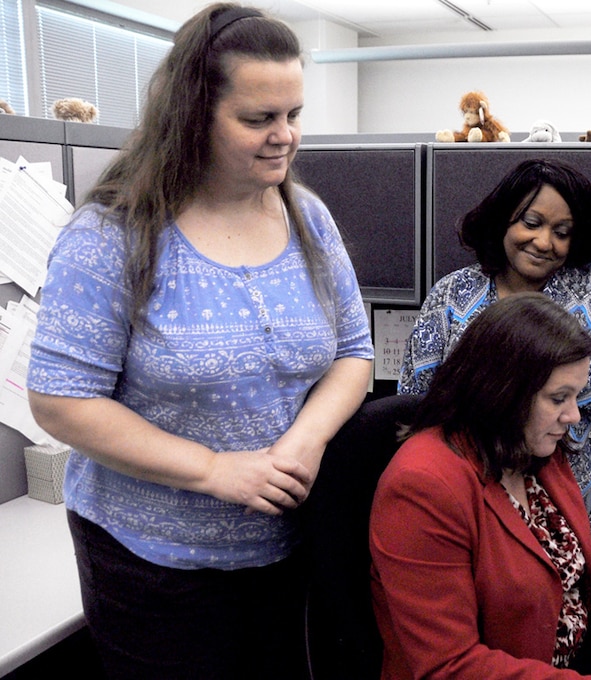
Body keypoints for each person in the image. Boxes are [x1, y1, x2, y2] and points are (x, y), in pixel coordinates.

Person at [26, 4, 374, 678]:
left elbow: (353, 353)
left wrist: (303, 442)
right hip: (153, 567)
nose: (285, 137)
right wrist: (215, 470)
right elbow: (61, 402)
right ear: (191, 115)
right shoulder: (114, 233)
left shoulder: (308, 217)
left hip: (284, 549)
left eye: (293, 114)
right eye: (257, 119)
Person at [372, 292, 591, 679]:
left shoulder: (535, 449)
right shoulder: (422, 487)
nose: (572, 415)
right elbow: (449, 667)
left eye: (576, 396)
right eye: (558, 398)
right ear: (501, 392)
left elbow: (576, 568)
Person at [399, 158, 591, 546]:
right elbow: (416, 408)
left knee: (556, 598)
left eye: (562, 232)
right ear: (504, 218)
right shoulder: (452, 296)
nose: (544, 242)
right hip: (464, 491)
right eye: (531, 223)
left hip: (561, 495)